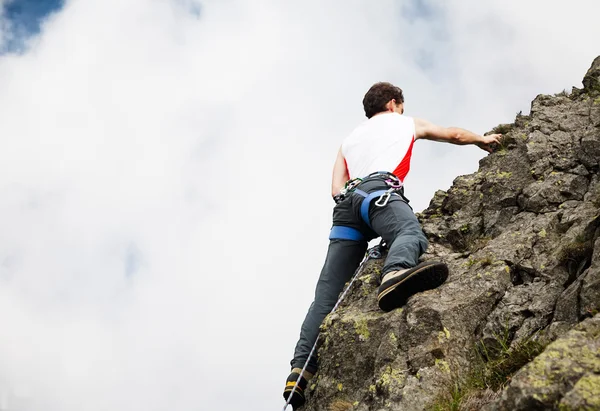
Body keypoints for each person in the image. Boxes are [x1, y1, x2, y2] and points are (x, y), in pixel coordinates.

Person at [283, 82, 501, 409]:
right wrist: (482, 139)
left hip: (347, 208)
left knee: (326, 294)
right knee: (409, 233)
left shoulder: (349, 139)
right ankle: (394, 273)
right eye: (400, 104)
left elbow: (335, 187)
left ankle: (300, 370)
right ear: (393, 103)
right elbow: (452, 135)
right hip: (379, 193)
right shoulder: (404, 121)